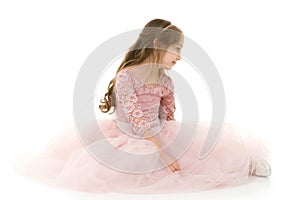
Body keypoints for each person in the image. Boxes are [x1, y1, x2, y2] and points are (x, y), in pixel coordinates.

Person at [13, 19, 271, 194]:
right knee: (146, 166)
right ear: (158, 45)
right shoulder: (127, 76)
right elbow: (137, 120)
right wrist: (163, 151)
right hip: (130, 136)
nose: (179, 56)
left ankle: (244, 164)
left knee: (201, 151)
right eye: (176, 49)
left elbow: (167, 115)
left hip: (159, 132)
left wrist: (177, 142)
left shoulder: (165, 80)